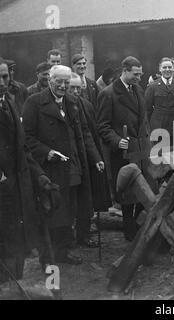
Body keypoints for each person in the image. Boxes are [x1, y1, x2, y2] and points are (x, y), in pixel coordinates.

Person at [23, 65, 103, 264]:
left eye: (66, 82)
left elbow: (84, 133)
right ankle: (50, 255)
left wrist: (96, 158)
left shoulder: (73, 102)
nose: (63, 85)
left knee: (70, 208)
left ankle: (64, 250)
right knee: (53, 209)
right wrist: (46, 152)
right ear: (49, 80)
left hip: (73, 164)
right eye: (58, 81)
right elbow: (26, 137)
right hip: (49, 167)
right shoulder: (34, 102)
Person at [0, 59, 53, 283]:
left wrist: (39, 175)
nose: (4, 82)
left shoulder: (9, 102)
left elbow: (23, 147)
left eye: (5, 76)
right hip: (3, 189)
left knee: (16, 245)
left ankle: (14, 285)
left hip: (18, 188)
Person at [97, 56, 153, 241]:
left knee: (145, 190)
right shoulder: (108, 94)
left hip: (141, 150)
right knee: (128, 195)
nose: (139, 77)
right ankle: (130, 233)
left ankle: (139, 228)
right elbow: (102, 126)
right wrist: (116, 140)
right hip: (123, 153)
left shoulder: (138, 89)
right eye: (135, 74)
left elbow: (143, 119)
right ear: (125, 71)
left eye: (140, 74)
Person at [68, 73, 111, 247]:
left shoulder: (86, 105)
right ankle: (67, 237)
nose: (76, 91)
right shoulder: (61, 107)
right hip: (69, 160)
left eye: (79, 88)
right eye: (73, 88)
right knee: (70, 200)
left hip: (86, 159)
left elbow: (90, 134)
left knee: (86, 198)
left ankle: (83, 234)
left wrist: (96, 158)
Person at [145, 57, 174, 143]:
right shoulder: (152, 87)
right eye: (164, 67)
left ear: (173, 69)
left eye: (170, 67)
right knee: (160, 155)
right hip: (159, 128)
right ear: (160, 69)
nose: (167, 70)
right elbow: (147, 110)